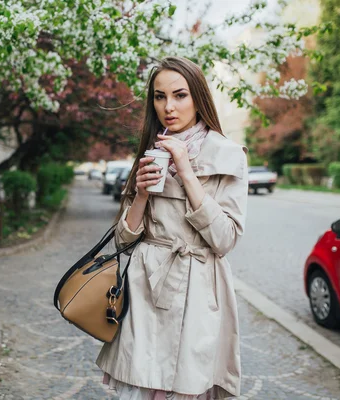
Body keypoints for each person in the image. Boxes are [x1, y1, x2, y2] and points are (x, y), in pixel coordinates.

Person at [96, 56, 248, 400]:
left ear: (198, 97)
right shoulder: (150, 151)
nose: (169, 107)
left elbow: (225, 240)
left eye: (180, 95)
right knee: (142, 383)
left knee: (187, 384)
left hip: (198, 288)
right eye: (159, 96)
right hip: (146, 284)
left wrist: (187, 171)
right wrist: (141, 195)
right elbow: (123, 239)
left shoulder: (228, 154)